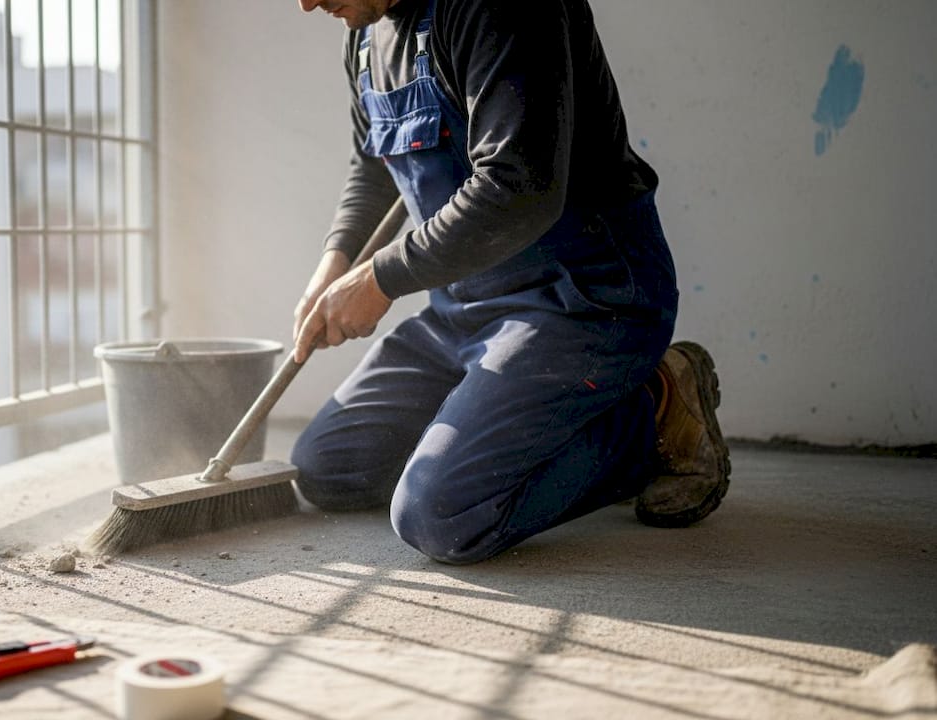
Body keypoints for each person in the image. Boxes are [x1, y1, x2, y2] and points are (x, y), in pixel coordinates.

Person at [289, 0, 731, 565]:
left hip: (581, 301)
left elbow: (519, 185)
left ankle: (654, 408)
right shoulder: (364, 31)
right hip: (463, 312)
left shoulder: (499, 8)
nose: (306, 3)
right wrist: (336, 260)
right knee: (329, 468)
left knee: (440, 516)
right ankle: (497, 425)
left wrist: (379, 279)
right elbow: (373, 165)